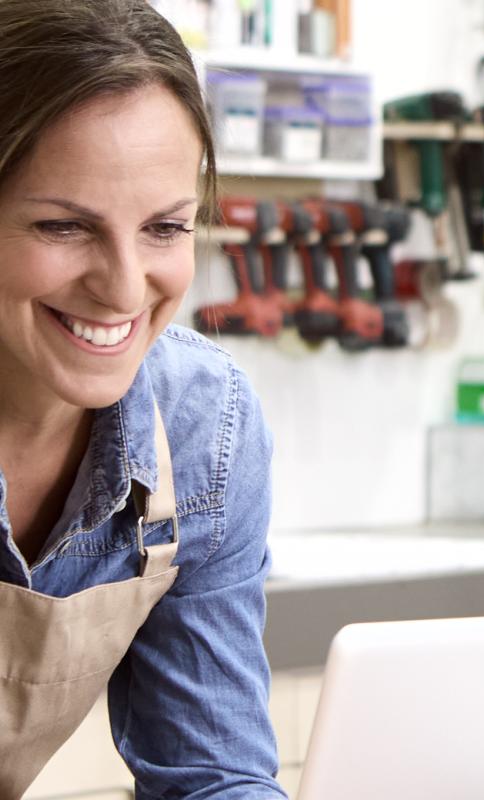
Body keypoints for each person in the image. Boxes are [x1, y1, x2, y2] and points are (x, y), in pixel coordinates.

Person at [0, 1, 285, 796]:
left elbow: (211, 774)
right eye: (64, 227)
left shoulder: (202, 425)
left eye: (164, 229)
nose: (125, 289)